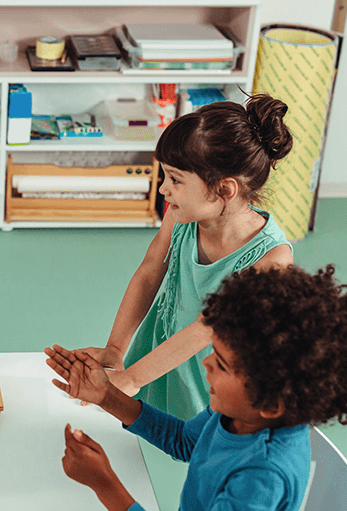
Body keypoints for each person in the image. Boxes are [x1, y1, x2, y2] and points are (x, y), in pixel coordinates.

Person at [47, 265, 347, 511]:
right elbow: (183, 441)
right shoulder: (242, 414)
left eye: (224, 365)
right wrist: (106, 395)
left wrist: (106, 485)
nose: (206, 363)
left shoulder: (263, 473)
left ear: (271, 402)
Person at [72, 94, 295, 420]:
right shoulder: (181, 214)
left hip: (215, 376)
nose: (163, 189)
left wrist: (132, 378)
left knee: (195, 445)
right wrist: (116, 350)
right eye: (164, 176)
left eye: (175, 179)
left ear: (225, 189)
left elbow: (208, 328)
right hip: (162, 353)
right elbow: (150, 271)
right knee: (149, 431)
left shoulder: (271, 259)